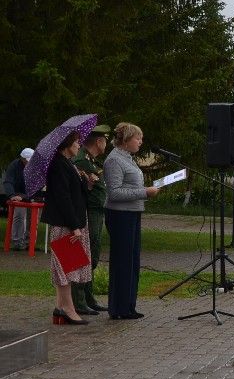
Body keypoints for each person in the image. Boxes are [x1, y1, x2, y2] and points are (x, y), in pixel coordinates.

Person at [104, 123, 159, 320]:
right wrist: (145, 192)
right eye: (138, 138)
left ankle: (129, 305)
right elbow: (115, 192)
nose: (140, 142)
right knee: (122, 261)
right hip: (120, 215)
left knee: (133, 260)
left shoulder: (128, 159)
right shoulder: (113, 160)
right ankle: (118, 308)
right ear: (126, 140)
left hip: (133, 213)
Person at [42, 132, 91, 325]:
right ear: (67, 144)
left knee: (68, 265)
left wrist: (86, 182)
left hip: (72, 222)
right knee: (65, 267)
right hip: (65, 224)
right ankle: (68, 309)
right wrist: (74, 226)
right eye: (77, 142)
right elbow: (63, 198)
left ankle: (59, 307)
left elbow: (74, 192)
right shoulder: (58, 165)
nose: (79, 145)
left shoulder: (67, 163)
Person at [72, 127, 108, 313]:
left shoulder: (90, 160)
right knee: (85, 255)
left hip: (96, 211)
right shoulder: (81, 160)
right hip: (88, 212)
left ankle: (88, 297)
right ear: (98, 141)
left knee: (92, 255)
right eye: (104, 140)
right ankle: (78, 301)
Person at [3, 148, 35, 250]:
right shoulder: (14, 166)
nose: (28, 162)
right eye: (27, 160)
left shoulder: (35, 166)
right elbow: (8, 182)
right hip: (17, 194)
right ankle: (17, 242)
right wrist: (12, 195)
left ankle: (29, 242)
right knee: (19, 215)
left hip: (31, 194)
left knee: (33, 218)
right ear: (22, 158)